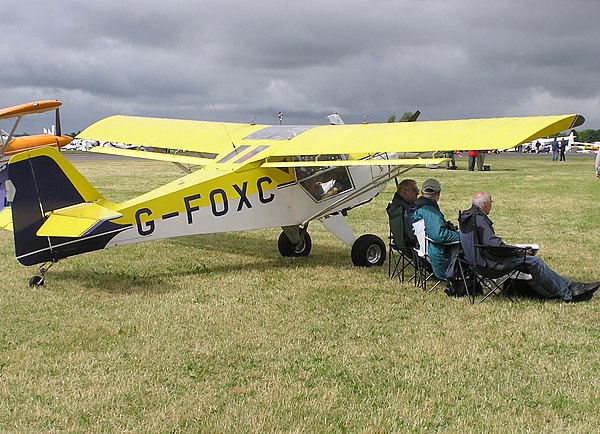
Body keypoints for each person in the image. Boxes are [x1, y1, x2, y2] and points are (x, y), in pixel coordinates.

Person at [460, 191, 599, 302]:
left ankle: (570, 286)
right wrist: (517, 251)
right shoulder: (478, 219)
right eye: (491, 203)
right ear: (485, 204)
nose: (491, 205)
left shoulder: (467, 217)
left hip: (477, 264)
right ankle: (568, 293)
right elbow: (494, 245)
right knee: (534, 261)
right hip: (489, 266)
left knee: (529, 263)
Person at [411, 179, 459, 281]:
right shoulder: (429, 211)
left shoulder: (417, 206)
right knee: (466, 244)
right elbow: (439, 235)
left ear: (422, 193)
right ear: (438, 194)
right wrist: (461, 236)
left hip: (422, 248)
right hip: (435, 252)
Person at [386, 178, 419, 244]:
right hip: (412, 243)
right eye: (414, 190)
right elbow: (412, 235)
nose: (417, 193)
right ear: (404, 192)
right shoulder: (404, 209)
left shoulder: (397, 205)